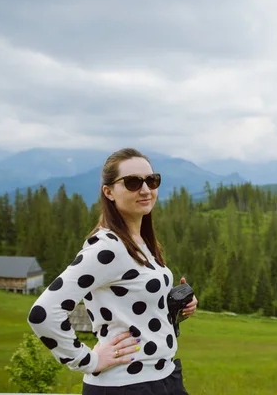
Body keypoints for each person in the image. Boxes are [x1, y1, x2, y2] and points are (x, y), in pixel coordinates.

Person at [27, 148, 198, 395]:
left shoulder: (140, 243)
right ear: (108, 192)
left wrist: (176, 304)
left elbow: (130, 299)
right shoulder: (107, 248)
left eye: (151, 180)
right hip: (127, 386)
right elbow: (42, 314)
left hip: (164, 377)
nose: (145, 189)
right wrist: (89, 361)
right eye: (132, 182)